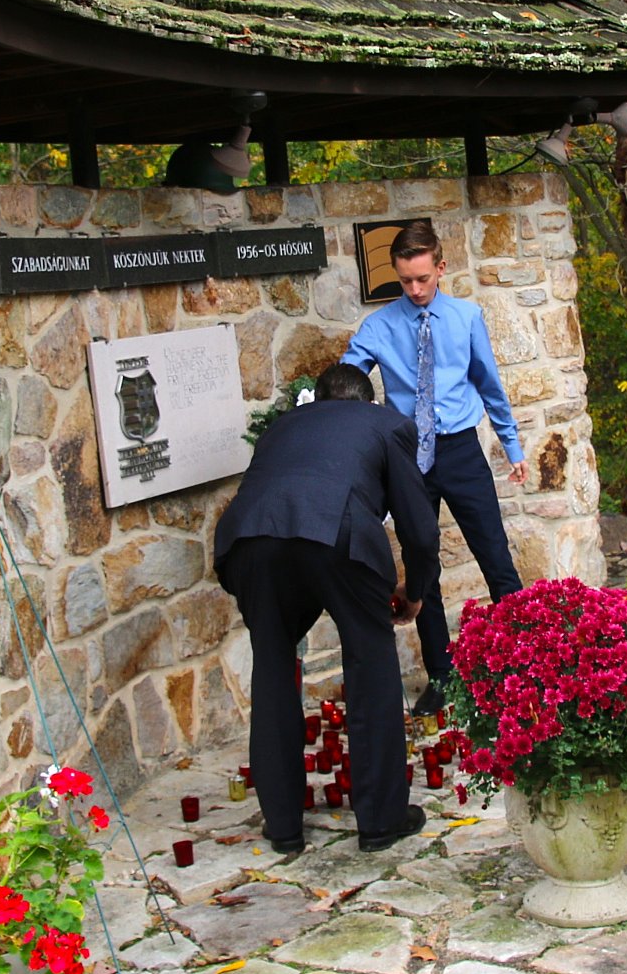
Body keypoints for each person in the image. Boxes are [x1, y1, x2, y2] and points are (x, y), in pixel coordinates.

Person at [214, 363, 440, 854]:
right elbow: (420, 529)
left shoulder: (280, 427)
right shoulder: (386, 425)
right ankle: (380, 820)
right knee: (370, 659)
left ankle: (284, 826)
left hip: (250, 542)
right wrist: (416, 590)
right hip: (337, 533)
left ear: (317, 401)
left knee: (273, 668)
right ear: (367, 401)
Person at [343, 219, 527, 714]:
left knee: (496, 557)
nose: (416, 289)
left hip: (461, 451)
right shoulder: (379, 327)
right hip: (407, 460)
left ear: (440, 268)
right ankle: (442, 677)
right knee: (422, 570)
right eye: (406, 280)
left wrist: (513, 447)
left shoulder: (466, 317)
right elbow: (345, 385)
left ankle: (526, 669)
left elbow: (489, 384)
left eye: (423, 278)